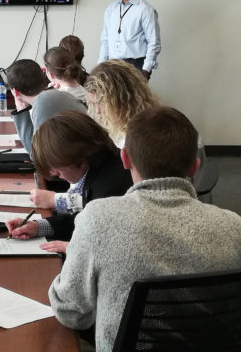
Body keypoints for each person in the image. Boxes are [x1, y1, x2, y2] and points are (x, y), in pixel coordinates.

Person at [46, 106, 241, 351]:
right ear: (195, 167)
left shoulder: (98, 219)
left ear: (125, 158)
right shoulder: (235, 227)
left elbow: (72, 313)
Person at [5, 111, 132, 252]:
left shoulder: (109, 189)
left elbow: (103, 244)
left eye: (57, 169)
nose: (54, 174)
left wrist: (73, 248)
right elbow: (80, 219)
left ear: (77, 158)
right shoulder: (100, 168)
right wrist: (38, 226)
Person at [6, 59, 86, 154]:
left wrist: (21, 108)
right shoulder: (54, 93)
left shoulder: (43, 102)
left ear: (15, 91)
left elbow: (36, 155)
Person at [99, 0, 160, 80]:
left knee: (132, 98)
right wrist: (101, 65)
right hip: (113, 64)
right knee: (112, 98)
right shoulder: (111, 8)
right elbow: (105, 39)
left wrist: (146, 69)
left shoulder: (145, 9)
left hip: (136, 64)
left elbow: (154, 42)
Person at [85, 59, 158, 148]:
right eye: (93, 103)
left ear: (121, 100)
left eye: (100, 103)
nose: (97, 111)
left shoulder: (140, 137)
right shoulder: (110, 123)